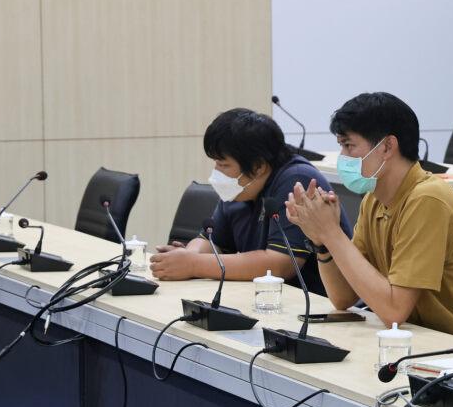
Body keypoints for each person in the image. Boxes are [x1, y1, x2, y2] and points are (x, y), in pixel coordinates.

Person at [283, 92, 453, 346]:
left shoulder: (427, 199)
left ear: (387, 147)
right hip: (431, 344)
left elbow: (394, 312)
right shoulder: (374, 200)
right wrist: (321, 241)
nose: (342, 156)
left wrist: (332, 233)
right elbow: (343, 298)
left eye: (349, 146)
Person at [150, 108, 350, 296]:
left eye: (223, 164)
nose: (217, 172)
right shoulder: (240, 189)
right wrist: (187, 256)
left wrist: (194, 264)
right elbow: (212, 241)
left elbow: (281, 263)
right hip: (264, 299)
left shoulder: (297, 181)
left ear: (258, 167)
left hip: (316, 304)